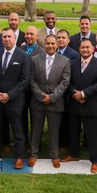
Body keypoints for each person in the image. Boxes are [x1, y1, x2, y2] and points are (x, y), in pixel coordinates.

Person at [0, 28, 31, 170]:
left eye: (9, 37)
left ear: (15, 39)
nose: (7, 39)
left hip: (15, 100)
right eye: (4, 37)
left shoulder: (23, 56)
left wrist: (10, 95)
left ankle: (19, 157)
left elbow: (24, 80)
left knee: (17, 130)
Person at [63, 39, 97, 173]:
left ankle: (94, 160)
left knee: (92, 134)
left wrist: (83, 94)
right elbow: (67, 81)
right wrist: (75, 94)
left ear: (93, 49)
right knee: (73, 131)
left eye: (88, 47)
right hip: (74, 103)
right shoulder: (72, 63)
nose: (85, 50)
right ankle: (73, 154)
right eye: (82, 47)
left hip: (91, 104)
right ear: (79, 49)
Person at [29, 34, 71, 168]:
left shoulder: (65, 61)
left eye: (53, 44)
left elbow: (65, 83)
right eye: (48, 43)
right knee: (36, 129)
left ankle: (54, 155)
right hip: (38, 101)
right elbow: (31, 80)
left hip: (55, 102)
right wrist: (41, 96)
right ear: (44, 44)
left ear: (57, 45)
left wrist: (52, 97)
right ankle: (33, 154)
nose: (51, 46)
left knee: (54, 131)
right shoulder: (35, 59)